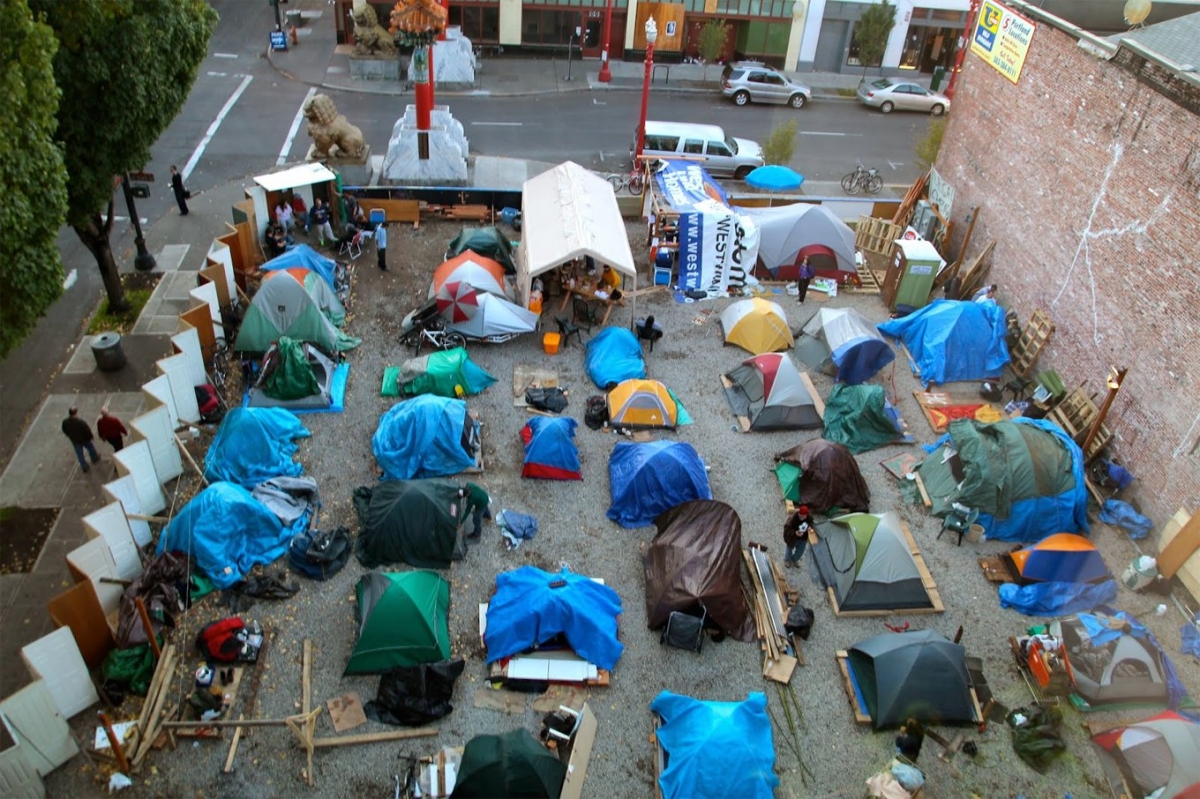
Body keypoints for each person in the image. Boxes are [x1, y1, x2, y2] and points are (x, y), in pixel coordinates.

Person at [62, 407, 101, 472]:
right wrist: (91, 437)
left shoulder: (65, 422)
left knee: (80, 454)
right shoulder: (80, 422)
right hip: (84, 439)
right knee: (91, 448)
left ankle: (84, 466)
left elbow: (64, 429)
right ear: (76, 413)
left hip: (75, 440)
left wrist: (68, 435)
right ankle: (94, 458)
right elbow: (87, 430)